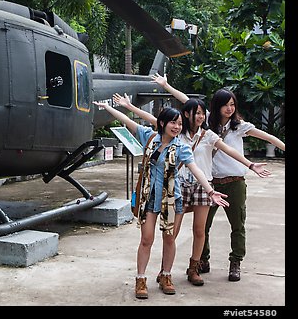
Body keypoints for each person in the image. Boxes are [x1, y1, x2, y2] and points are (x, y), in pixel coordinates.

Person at [111, 92, 271, 287]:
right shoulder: (177, 134)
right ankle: (163, 272)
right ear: (186, 115)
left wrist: (250, 165)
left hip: (201, 186)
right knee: (170, 233)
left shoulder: (206, 135)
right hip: (178, 187)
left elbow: (229, 151)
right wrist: (125, 106)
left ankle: (193, 268)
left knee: (199, 230)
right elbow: (150, 120)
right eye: (197, 113)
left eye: (203, 113)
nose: (201, 116)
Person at [152, 73, 285, 282]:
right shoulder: (207, 125)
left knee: (237, 225)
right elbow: (187, 102)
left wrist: (264, 157)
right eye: (225, 105)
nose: (229, 109)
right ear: (216, 106)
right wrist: (167, 85)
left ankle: (235, 262)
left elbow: (268, 137)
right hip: (211, 183)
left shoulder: (240, 127)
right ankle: (201, 261)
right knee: (203, 227)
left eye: (232, 104)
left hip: (235, 182)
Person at [93, 100, 229, 299]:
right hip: (149, 199)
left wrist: (210, 191)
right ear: (163, 123)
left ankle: (166, 276)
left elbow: (196, 169)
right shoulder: (149, 138)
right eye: (173, 123)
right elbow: (127, 121)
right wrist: (108, 108)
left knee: (169, 239)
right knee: (146, 239)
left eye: (180, 124)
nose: (177, 127)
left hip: (172, 200)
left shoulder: (182, 148)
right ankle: (141, 279)